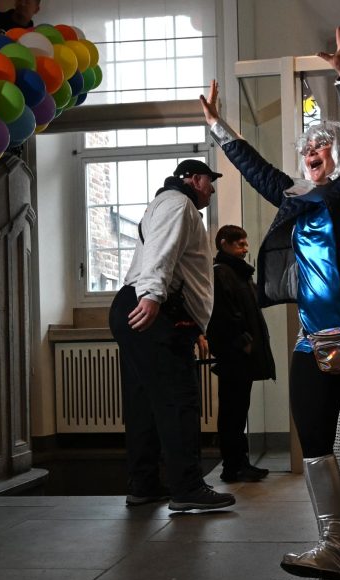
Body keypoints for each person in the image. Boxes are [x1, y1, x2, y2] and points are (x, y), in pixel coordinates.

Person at [200, 25, 340, 580]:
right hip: (311, 341)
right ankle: (332, 546)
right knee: (315, 443)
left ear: (336, 154)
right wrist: (218, 128)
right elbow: (258, 172)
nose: (312, 153)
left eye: (321, 147)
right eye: (306, 149)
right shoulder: (296, 199)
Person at [108, 159, 235, 512]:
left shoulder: (167, 203)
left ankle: (144, 484)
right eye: (210, 181)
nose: (212, 189)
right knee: (178, 400)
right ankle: (187, 487)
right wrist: (151, 295)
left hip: (144, 307)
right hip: (153, 309)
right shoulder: (178, 204)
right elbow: (160, 251)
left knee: (144, 403)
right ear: (194, 179)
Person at [207, 224, 277, 482]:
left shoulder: (238, 274)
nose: (245, 249)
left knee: (238, 410)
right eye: (240, 244)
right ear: (224, 243)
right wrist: (243, 342)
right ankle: (233, 465)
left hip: (240, 355)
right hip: (235, 356)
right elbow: (223, 315)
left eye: (246, 244)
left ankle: (239, 462)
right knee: (232, 411)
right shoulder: (223, 273)